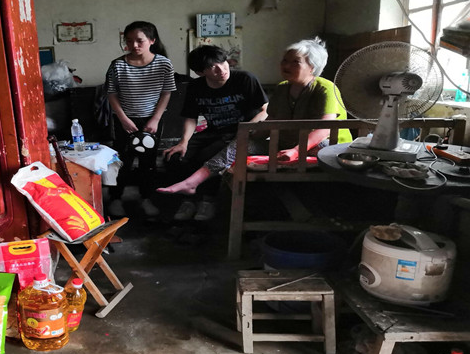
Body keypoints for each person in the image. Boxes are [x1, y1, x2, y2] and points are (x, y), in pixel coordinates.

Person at [157, 37, 352, 197]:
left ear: (312, 66)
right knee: (240, 144)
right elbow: (271, 121)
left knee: (324, 149)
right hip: (285, 143)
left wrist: (295, 151)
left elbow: (324, 129)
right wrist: (246, 137)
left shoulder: (325, 88)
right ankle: (192, 183)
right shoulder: (282, 88)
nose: (286, 65)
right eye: (285, 60)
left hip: (323, 146)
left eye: (295, 62)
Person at [158, 45, 268, 221]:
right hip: (213, 132)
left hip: (239, 134)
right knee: (174, 156)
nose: (221, 69)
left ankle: (207, 201)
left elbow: (264, 111)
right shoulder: (196, 86)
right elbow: (191, 117)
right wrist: (183, 142)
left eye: (223, 62)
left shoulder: (245, 79)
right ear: (200, 72)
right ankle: (189, 201)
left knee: (208, 155)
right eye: (212, 67)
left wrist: (245, 129)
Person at [105, 21, 176, 217]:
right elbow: (111, 94)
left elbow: (166, 93)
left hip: (152, 120)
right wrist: (123, 119)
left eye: (139, 41)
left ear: (152, 40)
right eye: (129, 41)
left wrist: (155, 119)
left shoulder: (163, 64)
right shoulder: (117, 65)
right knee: (122, 161)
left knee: (148, 162)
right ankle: (115, 199)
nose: (134, 45)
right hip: (124, 120)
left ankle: (146, 198)